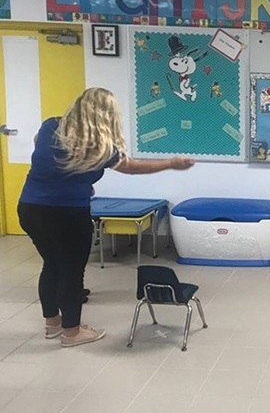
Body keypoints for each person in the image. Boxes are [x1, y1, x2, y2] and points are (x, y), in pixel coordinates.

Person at [17, 87, 194, 348]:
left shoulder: (50, 126)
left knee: (51, 264)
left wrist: (75, 180)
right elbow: (132, 168)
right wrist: (170, 164)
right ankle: (72, 332)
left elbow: (38, 146)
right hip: (67, 214)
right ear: (107, 115)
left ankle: (52, 324)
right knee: (71, 271)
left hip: (31, 208)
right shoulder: (100, 145)